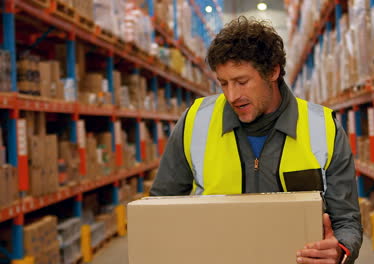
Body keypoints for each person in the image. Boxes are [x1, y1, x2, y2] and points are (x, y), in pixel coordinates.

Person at [150, 16, 362, 264]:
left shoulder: (323, 128)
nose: (232, 95)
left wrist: (339, 251)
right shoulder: (195, 122)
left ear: (273, 71)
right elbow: (159, 208)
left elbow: (347, 220)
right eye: (223, 83)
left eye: (242, 82)